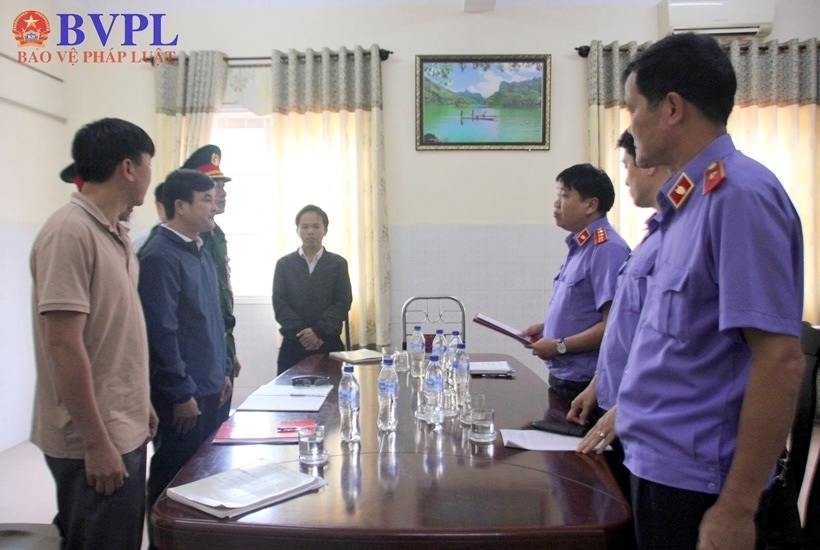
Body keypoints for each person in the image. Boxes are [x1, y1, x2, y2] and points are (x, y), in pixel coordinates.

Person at [616, 33, 804, 549]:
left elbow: (780, 359)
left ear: (672, 108)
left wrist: (737, 508)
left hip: (700, 482)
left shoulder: (738, 196)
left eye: (634, 108)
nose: (630, 125)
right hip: (659, 465)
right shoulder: (688, 201)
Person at [30, 118, 157, 549]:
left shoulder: (114, 232)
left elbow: (114, 333)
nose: (149, 176)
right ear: (128, 168)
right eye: (148, 164)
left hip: (121, 423)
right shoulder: (70, 232)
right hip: (94, 437)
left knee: (122, 538)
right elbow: (63, 345)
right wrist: (97, 443)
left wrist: (140, 402)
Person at [565, 130, 666, 501]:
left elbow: (666, 342)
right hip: (617, 402)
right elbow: (625, 330)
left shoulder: (610, 247)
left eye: (627, 165)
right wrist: (598, 385)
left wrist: (625, 407)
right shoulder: (653, 235)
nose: (624, 179)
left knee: (616, 507)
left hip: (645, 417)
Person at [138, 169, 233, 508]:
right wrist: (180, 392)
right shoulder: (160, 256)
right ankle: (163, 533)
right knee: (174, 477)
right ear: (180, 206)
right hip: (184, 395)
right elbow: (161, 332)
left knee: (204, 472)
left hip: (208, 386)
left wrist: (223, 370)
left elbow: (212, 318)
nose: (214, 206)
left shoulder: (199, 248)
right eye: (206, 199)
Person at [522, 164, 630, 404]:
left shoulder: (607, 249)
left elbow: (613, 325)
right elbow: (582, 310)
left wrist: (559, 345)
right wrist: (547, 328)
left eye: (564, 196)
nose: (556, 203)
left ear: (590, 205)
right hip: (565, 376)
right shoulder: (581, 246)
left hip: (586, 383)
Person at [182, 145, 241, 423]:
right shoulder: (187, 237)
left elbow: (220, 298)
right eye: (213, 186)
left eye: (222, 185)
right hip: (196, 361)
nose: (222, 192)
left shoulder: (216, 234)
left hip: (220, 351)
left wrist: (228, 352)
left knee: (218, 433)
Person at [273, 204, 352, 375]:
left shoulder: (338, 264)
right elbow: (280, 304)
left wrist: (318, 332)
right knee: (289, 391)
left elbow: (342, 302)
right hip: (293, 345)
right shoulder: (284, 265)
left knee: (332, 390)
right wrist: (303, 334)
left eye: (316, 226)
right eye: (305, 227)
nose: (310, 231)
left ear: (325, 230)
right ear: (297, 231)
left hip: (328, 344)